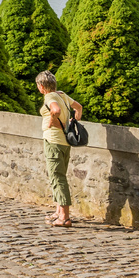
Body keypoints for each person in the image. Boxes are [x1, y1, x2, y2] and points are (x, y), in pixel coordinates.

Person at [37, 70, 83, 226]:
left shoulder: (49, 97)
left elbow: (55, 110)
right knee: (59, 175)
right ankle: (58, 211)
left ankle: (64, 217)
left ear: (41, 86)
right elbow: (79, 108)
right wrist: (73, 121)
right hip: (64, 141)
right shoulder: (62, 95)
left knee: (57, 177)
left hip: (54, 140)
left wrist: (50, 120)